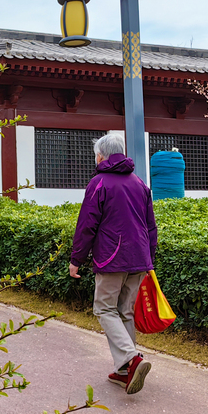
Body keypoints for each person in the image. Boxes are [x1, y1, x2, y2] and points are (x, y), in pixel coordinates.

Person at [69, 133, 158, 395]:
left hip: (111, 257)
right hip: (139, 258)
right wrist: (149, 258)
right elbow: (150, 226)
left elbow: (87, 225)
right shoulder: (140, 183)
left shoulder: (99, 183)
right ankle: (124, 371)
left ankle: (132, 357)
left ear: (101, 155)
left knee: (105, 309)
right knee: (125, 312)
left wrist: (77, 259)